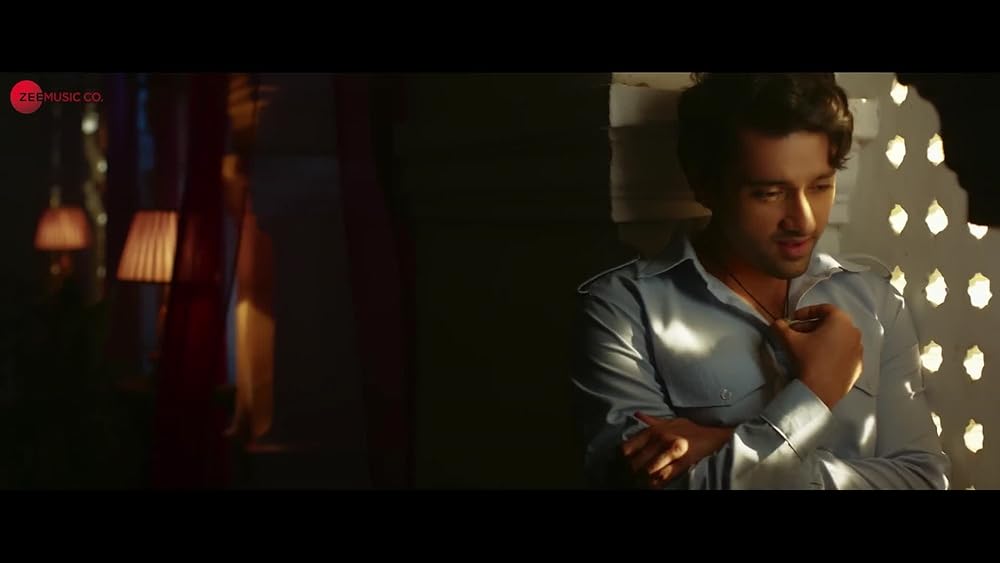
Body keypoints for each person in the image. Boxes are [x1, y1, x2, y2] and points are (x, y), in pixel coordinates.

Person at [572, 73, 950, 489]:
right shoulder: (624, 310)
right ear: (704, 185)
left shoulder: (876, 303)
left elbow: (924, 480)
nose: (803, 220)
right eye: (770, 193)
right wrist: (815, 393)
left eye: (821, 186)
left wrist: (724, 445)